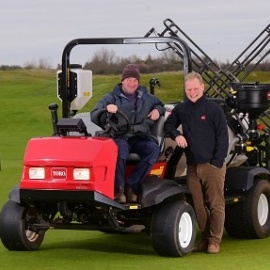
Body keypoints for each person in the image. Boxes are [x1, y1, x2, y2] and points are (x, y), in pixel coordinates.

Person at [164, 71, 229, 254]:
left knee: (216, 204)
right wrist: (177, 135)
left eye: (195, 88)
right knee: (198, 205)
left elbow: (222, 137)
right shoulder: (181, 109)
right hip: (192, 166)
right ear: (185, 90)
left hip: (212, 165)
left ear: (202, 87)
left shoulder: (213, 109)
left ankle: (214, 241)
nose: (192, 92)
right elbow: (168, 125)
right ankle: (205, 238)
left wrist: (217, 162)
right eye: (188, 89)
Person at [91, 64, 165, 204]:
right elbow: (95, 114)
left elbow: (160, 104)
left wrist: (157, 111)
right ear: (123, 80)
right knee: (121, 149)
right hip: (120, 136)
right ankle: (119, 189)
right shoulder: (112, 97)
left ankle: (131, 185)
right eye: (129, 79)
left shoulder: (146, 97)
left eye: (135, 80)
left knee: (153, 149)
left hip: (139, 136)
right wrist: (107, 109)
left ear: (138, 81)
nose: (132, 83)